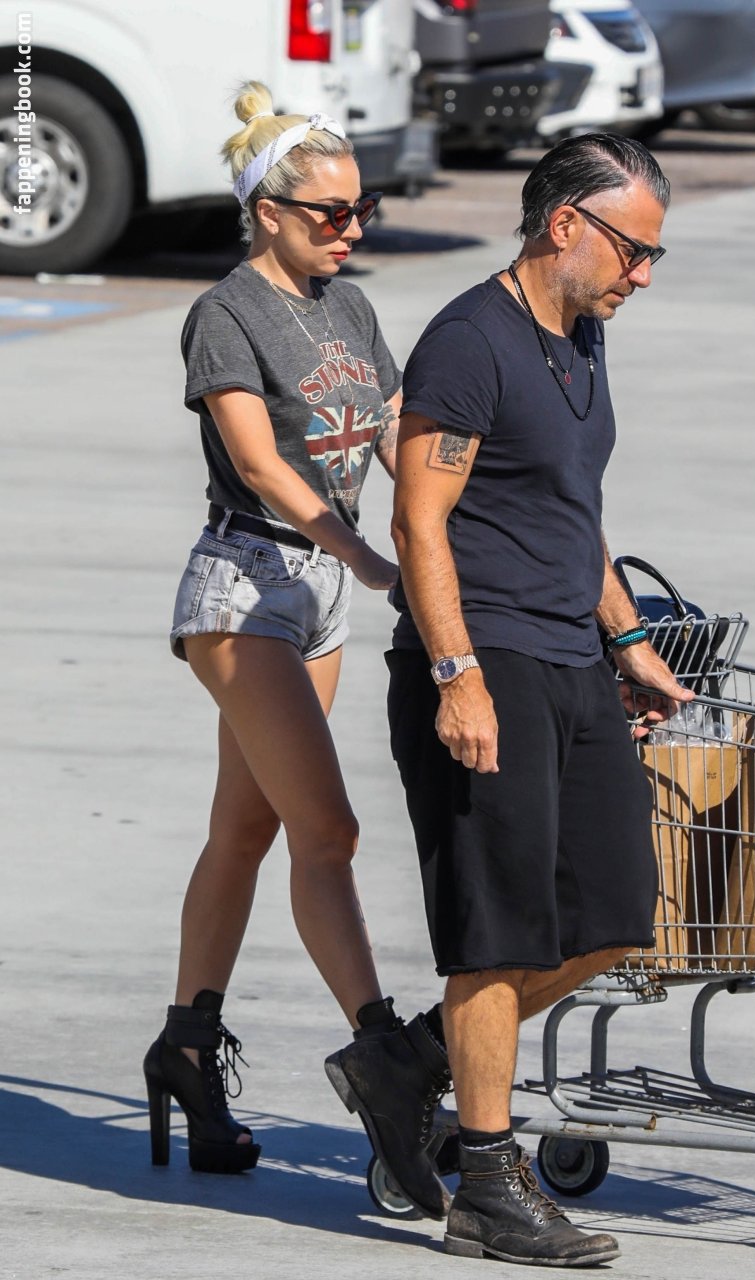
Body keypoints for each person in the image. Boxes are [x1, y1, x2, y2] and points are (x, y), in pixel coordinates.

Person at [383, 134, 694, 1265]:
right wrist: (455, 675)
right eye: (633, 249)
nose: (641, 275)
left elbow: (572, 505)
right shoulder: (470, 341)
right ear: (565, 223)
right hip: (487, 658)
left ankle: (411, 1060)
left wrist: (628, 636)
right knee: (497, 930)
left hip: (571, 654)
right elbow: (417, 520)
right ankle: (485, 1182)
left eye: (653, 255)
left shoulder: (582, 336)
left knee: (613, 916)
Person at [143, 81, 449, 1219]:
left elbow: (405, 428)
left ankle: (186, 1044)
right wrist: (363, 551)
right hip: (245, 589)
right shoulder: (225, 312)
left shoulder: (349, 306)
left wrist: (466, 508)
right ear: (266, 211)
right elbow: (261, 461)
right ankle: (384, 1054)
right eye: (329, 211)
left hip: (318, 593)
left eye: (361, 207)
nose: (350, 226)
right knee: (329, 830)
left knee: (247, 829)